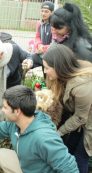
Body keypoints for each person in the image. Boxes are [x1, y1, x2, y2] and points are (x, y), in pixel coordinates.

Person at [0, 85, 79, 173]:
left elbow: (70, 168)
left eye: (5, 107)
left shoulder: (44, 137)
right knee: (0, 153)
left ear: (17, 111)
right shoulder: (15, 124)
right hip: (27, 167)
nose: (2, 110)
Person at [43, 44, 92, 173]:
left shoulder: (82, 87)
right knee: (69, 147)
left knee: (81, 155)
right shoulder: (68, 74)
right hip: (83, 118)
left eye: (47, 68)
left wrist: (58, 132)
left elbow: (80, 117)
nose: (44, 71)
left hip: (86, 120)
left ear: (59, 67)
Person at [32, 1, 54, 76]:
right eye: (42, 11)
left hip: (50, 55)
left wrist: (43, 49)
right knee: (29, 60)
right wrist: (39, 46)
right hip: (40, 53)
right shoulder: (39, 23)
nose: (43, 14)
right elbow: (37, 37)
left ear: (52, 12)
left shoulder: (53, 24)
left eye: (46, 11)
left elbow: (54, 42)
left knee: (47, 76)